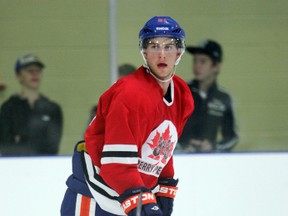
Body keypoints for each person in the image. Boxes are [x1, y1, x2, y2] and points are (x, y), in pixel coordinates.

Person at [61, 16, 194, 216]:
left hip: (127, 199)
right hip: (93, 198)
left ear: (179, 52)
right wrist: (143, 202)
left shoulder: (182, 95)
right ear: (144, 52)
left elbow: (163, 147)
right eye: (154, 46)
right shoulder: (130, 94)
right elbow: (116, 165)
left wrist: (165, 186)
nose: (161, 54)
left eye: (169, 47)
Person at [178, 39, 238, 153]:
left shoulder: (223, 97)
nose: (197, 66)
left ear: (216, 66)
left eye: (203, 61)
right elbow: (162, 128)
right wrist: (182, 147)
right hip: (179, 160)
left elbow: (232, 137)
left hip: (210, 161)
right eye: (195, 61)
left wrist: (213, 146)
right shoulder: (180, 91)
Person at [0, 54, 63, 156]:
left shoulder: (52, 109)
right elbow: (5, 146)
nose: (35, 74)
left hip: (44, 165)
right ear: (19, 76)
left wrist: (20, 138)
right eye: (30, 70)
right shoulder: (8, 108)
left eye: (38, 71)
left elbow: (53, 147)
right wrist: (37, 139)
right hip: (14, 166)